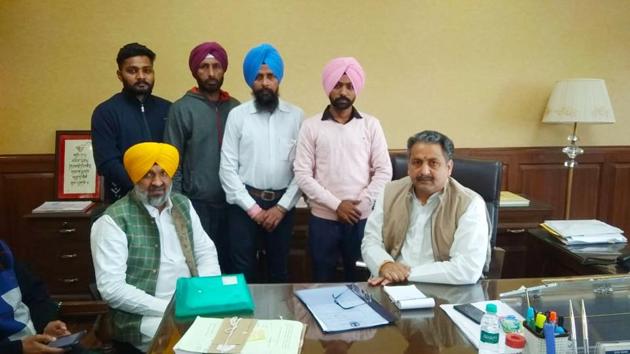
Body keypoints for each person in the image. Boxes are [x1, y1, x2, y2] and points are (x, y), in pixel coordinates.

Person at [90, 142, 220, 353]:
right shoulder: (113, 220)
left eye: (163, 174)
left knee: (228, 336)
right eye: (148, 175)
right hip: (141, 316)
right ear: (135, 178)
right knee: (194, 346)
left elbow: (205, 251)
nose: (157, 182)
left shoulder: (182, 204)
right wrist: (170, 309)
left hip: (192, 304)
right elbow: (111, 289)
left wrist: (202, 293)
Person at [294, 57, 392, 282]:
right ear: (328, 87)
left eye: (349, 86)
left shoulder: (371, 124)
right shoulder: (311, 126)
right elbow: (302, 174)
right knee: (322, 281)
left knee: (361, 281)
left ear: (356, 89)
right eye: (338, 85)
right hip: (323, 220)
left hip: (362, 218)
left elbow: (384, 170)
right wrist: (337, 205)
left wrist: (362, 204)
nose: (343, 92)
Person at [219, 43, 303, 283]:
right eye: (259, 77)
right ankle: (244, 320)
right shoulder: (237, 116)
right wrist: (254, 210)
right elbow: (227, 169)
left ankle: (280, 320)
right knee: (243, 270)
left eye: (270, 76)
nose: (265, 83)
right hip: (244, 204)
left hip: (283, 206)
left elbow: (303, 170)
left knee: (279, 269)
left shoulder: (296, 116)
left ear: (278, 79)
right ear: (250, 81)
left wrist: (281, 208)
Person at [361, 130, 490, 286]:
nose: (424, 171)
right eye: (417, 162)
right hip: (390, 284)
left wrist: (404, 274)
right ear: (408, 167)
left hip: (444, 288)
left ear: (449, 167)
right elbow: (371, 240)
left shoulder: (470, 203)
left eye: (433, 163)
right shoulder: (389, 192)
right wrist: (384, 264)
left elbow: (467, 269)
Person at [164, 41, 240, 273]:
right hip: (197, 205)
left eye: (216, 66)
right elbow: (171, 160)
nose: (211, 73)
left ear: (224, 69)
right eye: (204, 67)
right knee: (201, 267)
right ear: (195, 71)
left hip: (234, 204)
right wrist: (176, 203)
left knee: (231, 266)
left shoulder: (236, 109)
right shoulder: (181, 109)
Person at [91, 42, 171, 202]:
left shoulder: (169, 109)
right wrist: (144, 186)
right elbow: (107, 163)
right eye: (132, 71)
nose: (141, 76)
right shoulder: (105, 112)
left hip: (165, 198)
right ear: (120, 75)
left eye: (147, 70)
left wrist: (160, 186)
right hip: (123, 199)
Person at [0, 240, 80, 354]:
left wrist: (45, 326)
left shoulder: (3, 252)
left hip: (35, 342)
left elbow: (35, 296)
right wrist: (19, 348)